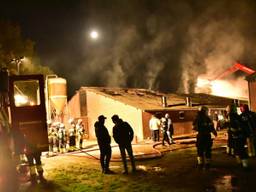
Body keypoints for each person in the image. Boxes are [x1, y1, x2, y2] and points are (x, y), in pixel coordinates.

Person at [226, 104, 249, 169]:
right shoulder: (239, 116)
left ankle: (242, 165)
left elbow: (231, 128)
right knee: (242, 150)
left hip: (235, 137)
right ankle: (244, 164)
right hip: (241, 136)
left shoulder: (230, 117)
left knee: (238, 151)